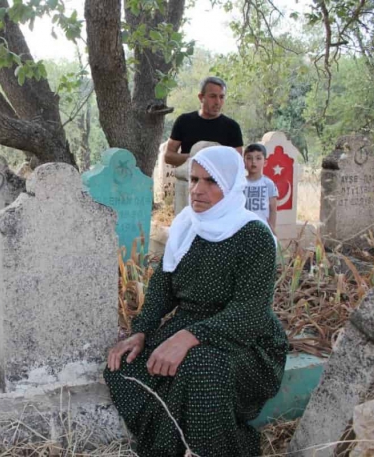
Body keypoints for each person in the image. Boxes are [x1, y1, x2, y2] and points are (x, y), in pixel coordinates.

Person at [104, 146, 288, 457]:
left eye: (211, 182)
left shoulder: (253, 235)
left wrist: (190, 338)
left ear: (231, 186)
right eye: (194, 179)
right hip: (188, 326)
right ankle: (170, 443)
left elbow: (251, 312)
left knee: (200, 365)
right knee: (121, 367)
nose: (197, 191)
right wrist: (142, 331)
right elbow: (163, 287)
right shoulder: (186, 225)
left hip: (243, 339)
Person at [164, 77, 243, 167]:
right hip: (188, 179)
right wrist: (196, 158)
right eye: (213, 96)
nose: (218, 102)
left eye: (221, 97)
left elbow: (238, 161)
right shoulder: (184, 121)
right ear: (201, 97)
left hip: (219, 180)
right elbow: (168, 156)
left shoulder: (232, 127)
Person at [244, 143, 278, 233]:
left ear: (265, 162)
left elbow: (273, 209)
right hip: (243, 228)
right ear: (244, 162)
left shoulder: (268, 184)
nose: (253, 162)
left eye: (258, 158)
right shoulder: (240, 184)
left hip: (263, 229)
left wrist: (272, 229)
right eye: (249, 158)